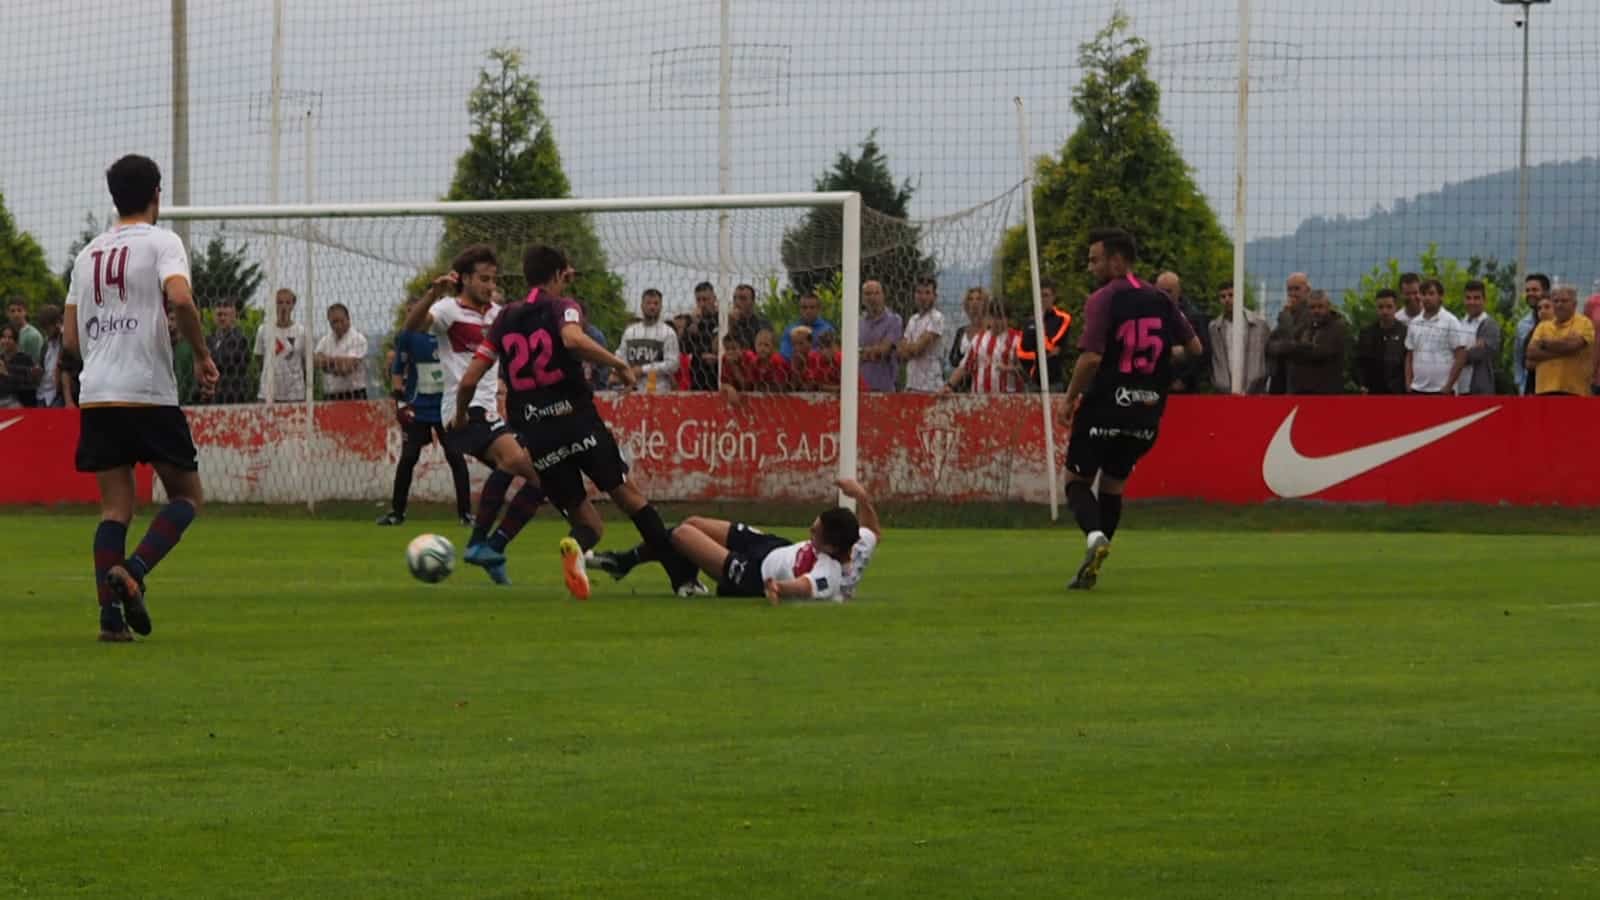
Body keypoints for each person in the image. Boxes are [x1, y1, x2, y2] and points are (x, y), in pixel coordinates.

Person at [454, 244, 702, 601]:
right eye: (565, 276)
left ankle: (575, 545)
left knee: (589, 524)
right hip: (576, 421)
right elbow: (572, 339)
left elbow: (468, 380)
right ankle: (682, 581)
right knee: (630, 499)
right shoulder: (563, 307)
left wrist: (461, 416)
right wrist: (617, 364)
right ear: (557, 275)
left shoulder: (504, 317)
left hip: (536, 434)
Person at [62, 154, 219, 642]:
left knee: (115, 511)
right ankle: (133, 570)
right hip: (147, 390)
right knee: (187, 497)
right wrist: (200, 354)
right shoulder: (163, 241)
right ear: (157, 194)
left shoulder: (88, 255)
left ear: (114, 197)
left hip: (99, 393)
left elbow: (69, 340)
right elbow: (181, 298)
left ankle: (111, 621)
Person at [1059, 227, 1201, 591]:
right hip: (1146, 411)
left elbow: (1091, 358)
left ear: (1116, 260)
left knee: (1076, 481)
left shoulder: (1103, 299)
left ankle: (1094, 537)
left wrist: (1069, 398)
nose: (1090, 267)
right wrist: (1161, 369)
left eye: (1095, 259)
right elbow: (1195, 348)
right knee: (1113, 484)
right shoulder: (1162, 299)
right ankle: (1094, 565)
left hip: (1106, 404)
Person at [403, 245, 547, 586]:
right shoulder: (448, 310)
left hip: (491, 413)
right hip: (461, 413)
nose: (489, 285)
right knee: (512, 459)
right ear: (465, 279)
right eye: (483, 279)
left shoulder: (498, 315)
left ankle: (491, 546)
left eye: (492, 279)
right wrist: (432, 293)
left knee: (544, 478)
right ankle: (480, 542)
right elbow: (411, 329)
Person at [593, 479, 873, 604]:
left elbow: (806, 586)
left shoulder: (830, 572)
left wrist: (778, 587)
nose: (811, 530)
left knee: (680, 535)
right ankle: (635, 565)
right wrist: (861, 496)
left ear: (831, 548)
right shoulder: (858, 543)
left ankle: (627, 561)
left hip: (752, 573)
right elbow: (874, 531)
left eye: (816, 533)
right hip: (774, 547)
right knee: (693, 523)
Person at [378, 295, 473, 527]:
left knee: (455, 456)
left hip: (445, 406)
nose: (414, 316)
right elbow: (398, 370)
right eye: (411, 311)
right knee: (409, 457)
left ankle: (466, 514)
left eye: (418, 311)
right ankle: (397, 513)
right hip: (417, 407)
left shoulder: (445, 333)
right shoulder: (407, 337)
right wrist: (400, 402)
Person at [1403, 278, 1469, 395]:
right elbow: (1409, 356)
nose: (1427, 297)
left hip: (1442, 391)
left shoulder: (1451, 321)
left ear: (1441, 296)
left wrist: (1448, 386)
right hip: (1417, 390)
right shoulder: (1414, 323)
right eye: (1424, 294)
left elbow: (1461, 356)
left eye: (1431, 293)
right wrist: (1408, 383)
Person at [1527, 285, 1595, 396]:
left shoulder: (1584, 323)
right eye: (1556, 301)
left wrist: (1544, 344)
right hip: (1544, 392)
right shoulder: (1543, 326)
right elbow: (1531, 353)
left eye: (1564, 301)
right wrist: (1565, 350)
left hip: (1575, 392)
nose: (1559, 305)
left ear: (1574, 304)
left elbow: (1574, 345)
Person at [944, 300, 1022, 394]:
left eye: (1000, 317)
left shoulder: (1017, 339)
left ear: (1008, 319)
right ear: (988, 318)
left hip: (1008, 399)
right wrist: (949, 386)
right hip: (980, 398)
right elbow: (964, 367)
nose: (996, 321)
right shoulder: (978, 339)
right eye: (993, 317)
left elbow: (1025, 370)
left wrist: (1008, 369)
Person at [1207, 281, 1268, 394]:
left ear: (1240, 296)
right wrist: (1220, 384)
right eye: (1223, 296)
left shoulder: (1259, 324)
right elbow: (1214, 359)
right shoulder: (1214, 327)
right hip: (1226, 391)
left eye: (1231, 295)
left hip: (1255, 392)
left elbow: (1266, 357)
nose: (1227, 299)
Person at [617, 288, 680, 394]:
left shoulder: (668, 333)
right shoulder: (630, 332)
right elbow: (621, 356)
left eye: (656, 303)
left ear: (661, 307)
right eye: (648, 303)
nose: (652, 307)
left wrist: (643, 369)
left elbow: (673, 364)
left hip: (659, 392)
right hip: (632, 391)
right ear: (641, 305)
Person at [1017, 279, 1074, 392]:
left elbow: (1051, 346)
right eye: (1039, 296)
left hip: (1053, 381)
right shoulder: (1029, 322)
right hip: (1032, 381)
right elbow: (1022, 351)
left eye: (1046, 295)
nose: (1042, 299)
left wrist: (1040, 322)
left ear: (1053, 297)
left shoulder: (1063, 319)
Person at [1286, 290, 1347, 394]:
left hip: (1327, 392)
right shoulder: (1305, 326)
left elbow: (1321, 352)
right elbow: (1288, 348)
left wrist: (1299, 348)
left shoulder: (1338, 326)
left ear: (1328, 306)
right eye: (1312, 307)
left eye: (1320, 307)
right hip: (1302, 392)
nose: (1316, 311)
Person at [254, 288, 307, 402]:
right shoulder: (263, 329)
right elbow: (259, 358)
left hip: (295, 394)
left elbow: (305, 361)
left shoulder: (301, 331)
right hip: (268, 393)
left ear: (293, 305)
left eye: (287, 302)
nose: (284, 306)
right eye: (279, 302)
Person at [1355, 289, 1408, 394]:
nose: (1385, 311)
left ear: (1396, 308)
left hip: (1399, 392)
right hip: (1373, 391)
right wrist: (1362, 384)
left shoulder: (1405, 332)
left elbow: (1409, 363)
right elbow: (1359, 363)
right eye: (1381, 307)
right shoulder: (1366, 333)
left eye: (1389, 307)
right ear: (1376, 309)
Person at [900, 276, 947, 393]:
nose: (923, 297)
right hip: (912, 384)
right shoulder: (913, 319)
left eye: (927, 293)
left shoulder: (937, 318)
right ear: (914, 295)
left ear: (934, 296)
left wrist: (910, 347)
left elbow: (917, 349)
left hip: (931, 386)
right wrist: (912, 348)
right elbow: (901, 353)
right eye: (919, 292)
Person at [315, 302, 370, 400]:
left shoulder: (358, 339)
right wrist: (338, 362)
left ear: (348, 319)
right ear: (329, 322)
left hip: (354, 394)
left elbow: (347, 368)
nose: (338, 325)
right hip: (330, 395)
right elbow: (316, 361)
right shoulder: (325, 340)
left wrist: (327, 363)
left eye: (341, 321)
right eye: (334, 322)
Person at [201, 298, 251, 403]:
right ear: (214, 317)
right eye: (219, 314)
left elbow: (224, 361)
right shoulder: (209, 339)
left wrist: (208, 359)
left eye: (225, 315)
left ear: (233, 317)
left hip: (233, 395)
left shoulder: (240, 339)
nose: (222, 318)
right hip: (212, 395)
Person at [1457, 280, 1502, 396]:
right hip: (1460, 387)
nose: (1472, 302)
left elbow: (1479, 353)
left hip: (1479, 390)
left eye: (1476, 298)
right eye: (1468, 298)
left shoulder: (1489, 324)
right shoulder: (1460, 323)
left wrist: (1459, 354)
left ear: (1484, 300)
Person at [859, 280, 903, 392]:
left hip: (884, 388)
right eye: (868, 294)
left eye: (876, 293)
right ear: (862, 298)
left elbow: (883, 350)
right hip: (859, 388)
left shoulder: (894, 320)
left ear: (883, 296)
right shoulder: (858, 322)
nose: (872, 297)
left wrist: (861, 353)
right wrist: (872, 352)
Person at [1512, 274, 1550, 396]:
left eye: (1535, 290)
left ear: (1545, 292)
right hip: (1529, 387)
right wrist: (1521, 384)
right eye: (1527, 290)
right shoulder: (1522, 325)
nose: (1530, 293)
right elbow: (1518, 357)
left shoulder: (1559, 322)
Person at [681, 282, 721, 390]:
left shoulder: (723, 319)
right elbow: (683, 349)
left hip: (720, 378)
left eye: (705, 299)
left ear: (714, 298)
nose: (702, 304)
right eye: (698, 300)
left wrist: (717, 357)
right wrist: (691, 329)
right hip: (698, 379)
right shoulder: (693, 320)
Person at [779, 291, 836, 360]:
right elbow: (784, 353)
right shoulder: (790, 330)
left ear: (819, 309)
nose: (808, 311)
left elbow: (830, 353)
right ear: (799, 309)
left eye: (812, 307)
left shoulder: (827, 329)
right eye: (804, 307)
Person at [0, 323, 40, 407]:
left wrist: (6, 374)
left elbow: (30, 386)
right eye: (3, 337)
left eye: (10, 338)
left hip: (20, 404)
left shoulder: (25, 359)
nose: (6, 341)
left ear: (16, 341)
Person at [7, 299, 44, 365]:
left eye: (19, 310)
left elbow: (35, 363)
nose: (16, 314)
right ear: (7, 313)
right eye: (12, 311)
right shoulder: (7, 333)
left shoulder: (33, 335)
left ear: (25, 312)